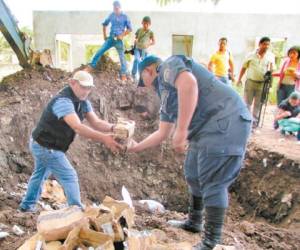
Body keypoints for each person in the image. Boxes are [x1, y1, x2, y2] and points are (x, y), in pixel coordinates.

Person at [127, 55, 252, 250]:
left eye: (145, 81)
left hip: (226, 121)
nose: (148, 87)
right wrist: (136, 146)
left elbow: (189, 84)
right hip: (204, 129)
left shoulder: (168, 66)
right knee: (193, 173)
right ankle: (194, 222)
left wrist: (182, 129)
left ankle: (210, 241)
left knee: (213, 181)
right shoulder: (167, 95)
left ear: (148, 71)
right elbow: (163, 132)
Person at [19, 71, 122, 212]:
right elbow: (77, 127)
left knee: (40, 175)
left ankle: (26, 207)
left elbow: (96, 122)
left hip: (43, 143)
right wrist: (104, 138)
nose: (86, 91)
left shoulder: (82, 101)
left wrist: (114, 128)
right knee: (69, 176)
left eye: (89, 88)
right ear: (72, 83)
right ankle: (76, 212)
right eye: (83, 87)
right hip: (46, 146)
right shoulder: (63, 101)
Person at [86, 1, 132, 81]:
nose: (115, 9)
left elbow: (130, 29)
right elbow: (104, 24)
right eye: (114, 8)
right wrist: (104, 36)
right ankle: (91, 67)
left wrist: (122, 35)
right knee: (100, 50)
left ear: (120, 7)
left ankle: (123, 74)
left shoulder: (125, 16)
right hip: (110, 38)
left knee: (122, 57)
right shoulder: (111, 15)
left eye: (117, 8)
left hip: (119, 40)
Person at [237, 37, 275, 127]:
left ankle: (254, 122)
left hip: (262, 83)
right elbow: (244, 67)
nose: (266, 46)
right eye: (265, 44)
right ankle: (246, 119)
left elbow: (272, 70)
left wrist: (270, 81)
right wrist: (239, 79)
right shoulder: (250, 55)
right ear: (260, 44)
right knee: (247, 102)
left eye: (268, 44)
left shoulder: (270, 56)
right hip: (250, 82)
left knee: (258, 103)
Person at [131, 16, 155, 81]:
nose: (145, 25)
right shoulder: (139, 30)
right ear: (142, 23)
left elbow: (154, 42)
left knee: (144, 63)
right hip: (137, 48)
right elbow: (136, 37)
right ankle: (133, 75)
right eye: (144, 23)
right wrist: (135, 40)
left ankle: (143, 77)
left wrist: (148, 44)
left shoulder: (151, 32)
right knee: (136, 60)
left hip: (144, 50)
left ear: (149, 24)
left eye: (147, 24)